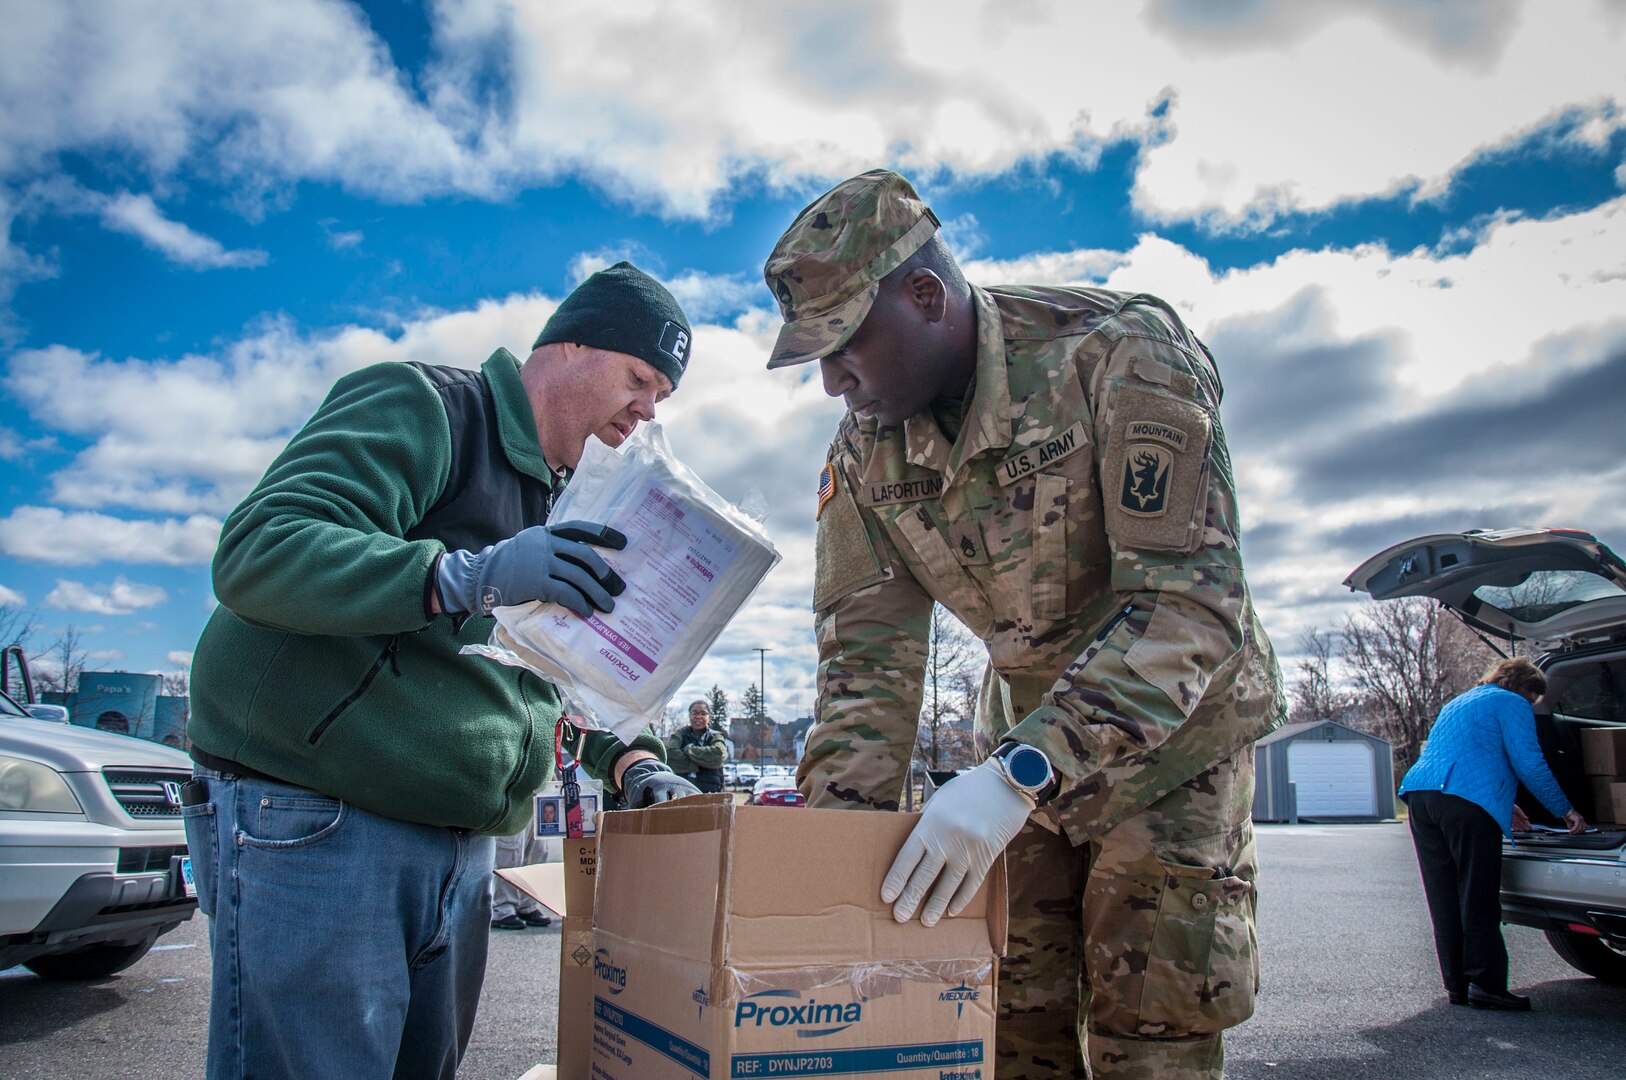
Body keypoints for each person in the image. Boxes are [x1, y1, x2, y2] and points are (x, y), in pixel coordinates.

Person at [763, 170, 1285, 1079]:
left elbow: (1189, 606)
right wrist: (824, 897)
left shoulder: (1121, 354)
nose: (829, 381)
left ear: (925, 296)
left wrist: (1018, 777)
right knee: (1005, 1021)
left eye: (844, 343)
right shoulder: (863, 448)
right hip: (1017, 756)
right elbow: (865, 675)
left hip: (1173, 750)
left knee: (1148, 1034)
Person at [182, 261, 702, 1080]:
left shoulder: (570, 502)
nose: (646, 410)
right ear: (566, 346)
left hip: (457, 848)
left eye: (662, 397)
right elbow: (259, 550)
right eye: (638, 377)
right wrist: (462, 575)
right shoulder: (428, 405)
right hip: (321, 817)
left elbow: (540, 669)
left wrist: (629, 761)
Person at [1398, 657, 1586, 1011]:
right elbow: (1529, 762)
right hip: (1463, 804)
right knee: (1477, 893)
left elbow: (1465, 758)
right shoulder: (1512, 702)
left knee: (1444, 894)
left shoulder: (1461, 700)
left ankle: (1458, 986)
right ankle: (1487, 985)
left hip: (1422, 799)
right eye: (1533, 699)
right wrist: (1566, 810)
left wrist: (1504, 804)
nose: (1531, 706)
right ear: (1525, 688)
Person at [491, 801, 553, 931]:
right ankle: (503, 907)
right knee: (510, 854)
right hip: (514, 802)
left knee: (538, 852)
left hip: (538, 799)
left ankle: (528, 904)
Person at [666, 698, 729, 792]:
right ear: (689, 715)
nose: (698, 717)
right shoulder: (680, 734)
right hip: (682, 790)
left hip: (710, 792)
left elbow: (719, 754)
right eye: (695, 713)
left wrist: (689, 750)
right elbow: (669, 752)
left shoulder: (716, 736)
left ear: (709, 717)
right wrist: (702, 762)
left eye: (703, 713)